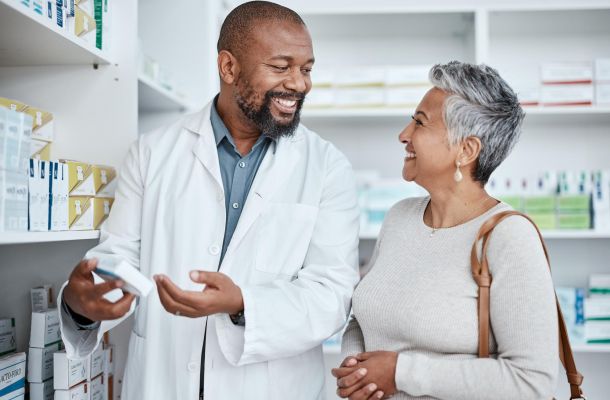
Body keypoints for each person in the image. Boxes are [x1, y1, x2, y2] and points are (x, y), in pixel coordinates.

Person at [57, 2, 360, 399]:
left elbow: (332, 295)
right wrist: (82, 305)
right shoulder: (152, 153)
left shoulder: (327, 166)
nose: (299, 84)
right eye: (280, 66)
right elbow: (118, 261)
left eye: (306, 69)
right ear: (229, 67)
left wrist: (242, 303)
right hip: (163, 382)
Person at [332, 61, 558, 400]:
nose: (403, 134)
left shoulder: (508, 237)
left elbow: (531, 382)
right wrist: (356, 367)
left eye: (420, 122)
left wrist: (400, 373)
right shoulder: (399, 218)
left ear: (466, 150)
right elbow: (364, 318)